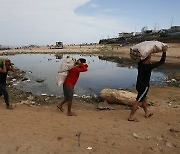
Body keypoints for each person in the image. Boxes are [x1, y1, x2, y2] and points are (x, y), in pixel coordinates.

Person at [128, 46, 168, 122]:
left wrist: (149, 52)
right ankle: (131, 117)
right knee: (138, 101)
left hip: (138, 85)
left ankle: (146, 113)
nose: (150, 59)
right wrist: (164, 52)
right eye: (149, 58)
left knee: (144, 99)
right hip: (144, 87)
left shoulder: (140, 64)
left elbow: (143, 56)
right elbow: (161, 62)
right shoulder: (148, 67)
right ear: (146, 60)